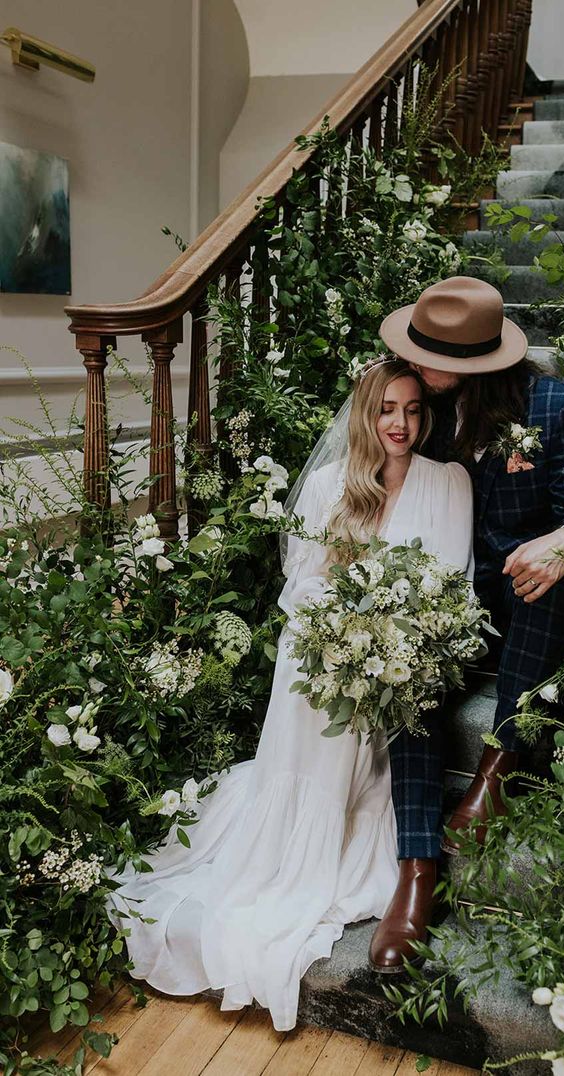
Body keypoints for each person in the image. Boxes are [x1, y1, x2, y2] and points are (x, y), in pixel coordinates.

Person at [107, 358, 475, 1031]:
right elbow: (299, 587)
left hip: (401, 657)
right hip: (330, 651)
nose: (400, 423)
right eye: (387, 408)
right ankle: (294, 834)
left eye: (414, 410)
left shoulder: (448, 483)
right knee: (311, 679)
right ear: (365, 413)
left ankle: (347, 815)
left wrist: (386, 639)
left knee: (379, 698)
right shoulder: (333, 486)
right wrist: (345, 630)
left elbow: (452, 582)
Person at [368, 275, 564, 973]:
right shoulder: (417, 403)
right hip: (447, 586)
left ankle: (496, 771)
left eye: (433, 358)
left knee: (547, 574)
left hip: (526, 592)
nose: (417, 366)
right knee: (408, 670)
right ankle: (417, 872)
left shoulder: (555, 405)